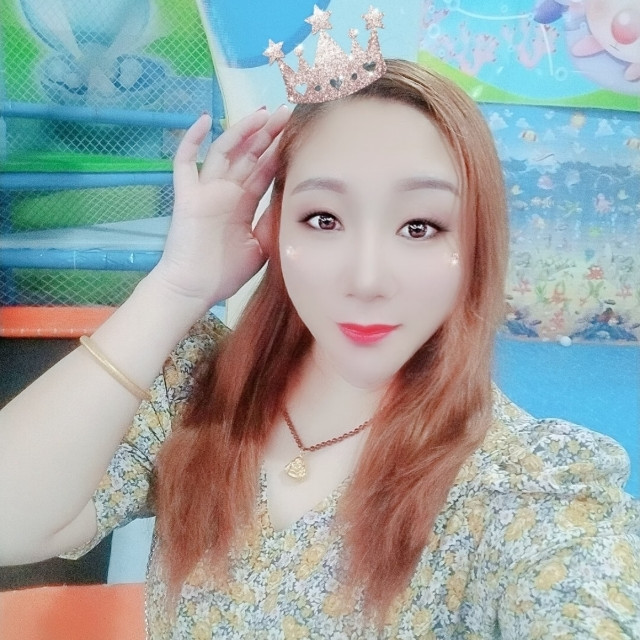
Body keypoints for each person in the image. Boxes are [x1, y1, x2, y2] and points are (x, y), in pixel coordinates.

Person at [0, 56, 639, 638]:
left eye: (420, 226)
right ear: (276, 226)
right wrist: (176, 288)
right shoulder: (194, 390)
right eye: (324, 219)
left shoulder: (524, 484)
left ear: (474, 243)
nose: (367, 280)